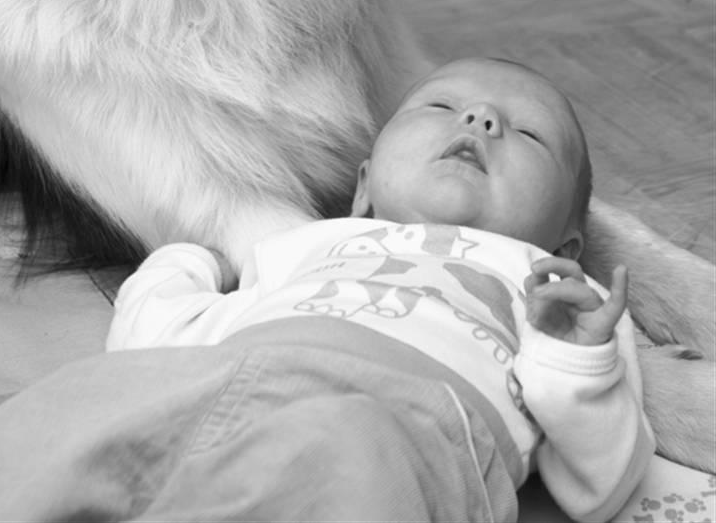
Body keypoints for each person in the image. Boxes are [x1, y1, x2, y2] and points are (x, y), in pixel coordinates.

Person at [104, 56, 655, 523]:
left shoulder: (554, 298)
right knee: (80, 418)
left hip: (411, 433)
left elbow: (600, 484)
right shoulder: (307, 245)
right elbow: (155, 338)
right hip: (238, 385)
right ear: (363, 189)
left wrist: (577, 365)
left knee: (348, 454)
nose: (482, 118)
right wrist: (188, 264)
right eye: (440, 106)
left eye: (531, 135)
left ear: (565, 248)